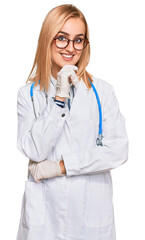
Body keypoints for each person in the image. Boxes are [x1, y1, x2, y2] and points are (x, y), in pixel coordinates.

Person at [16, 4, 128, 240]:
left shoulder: (102, 92)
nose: (71, 48)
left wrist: (60, 167)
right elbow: (35, 149)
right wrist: (58, 99)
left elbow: (118, 150)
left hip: (91, 218)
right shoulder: (28, 95)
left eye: (78, 40)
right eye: (62, 39)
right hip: (43, 220)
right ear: (48, 39)